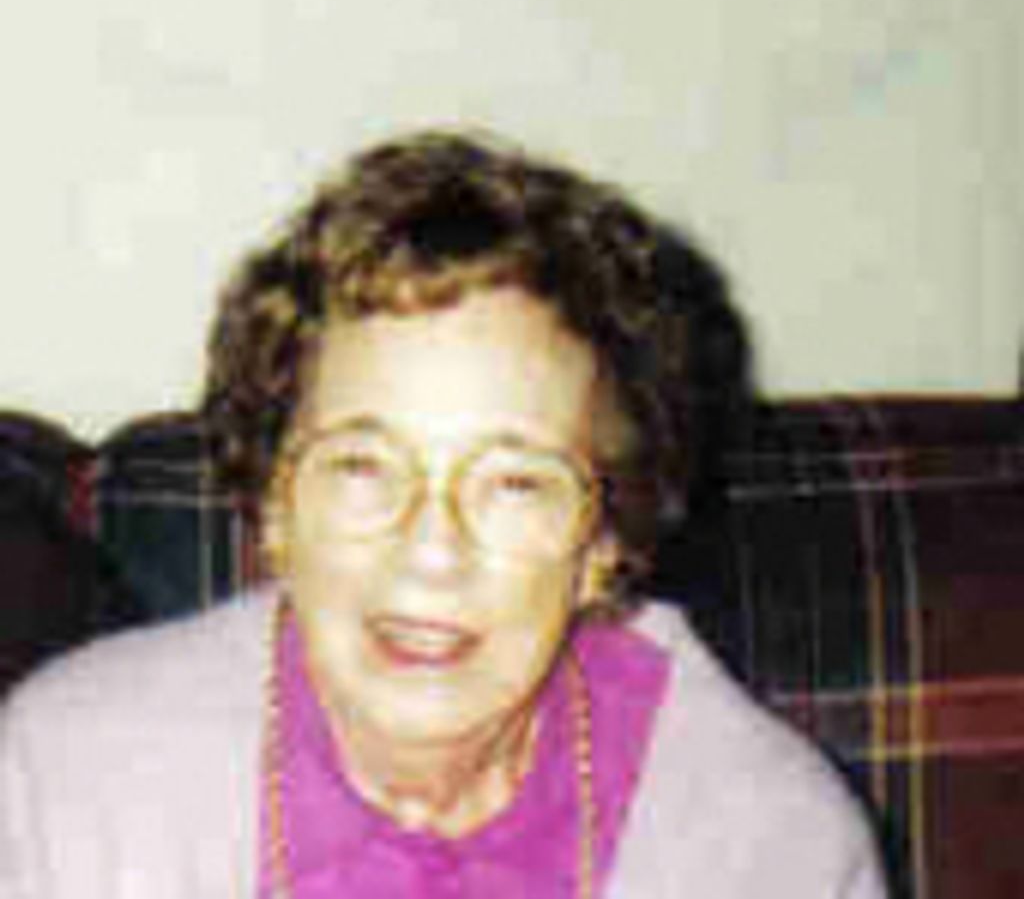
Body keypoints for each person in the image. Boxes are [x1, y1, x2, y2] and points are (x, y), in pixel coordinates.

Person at [0, 131, 887, 897]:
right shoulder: (76, 780)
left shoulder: (771, 845)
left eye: (515, 484)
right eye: (364, 466)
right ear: (274, 506)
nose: (432, 552)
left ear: (605, 541)